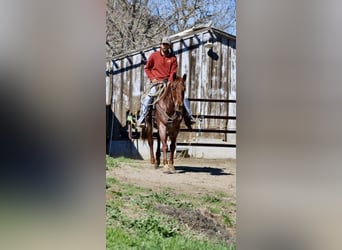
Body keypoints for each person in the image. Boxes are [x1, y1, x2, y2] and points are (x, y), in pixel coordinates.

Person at [137, 37, 196, 129]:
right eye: (163, 44)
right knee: (149, 97)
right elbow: (147, 68)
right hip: (156, 82)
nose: (165, 46)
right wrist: (153, 78)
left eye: (167, 44)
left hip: (169, 82)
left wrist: (170, 81)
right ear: (160, 45)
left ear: (169, 46)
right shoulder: (154, 56)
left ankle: (189, 116)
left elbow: (173, 71)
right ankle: (142, 118)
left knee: (183, 97)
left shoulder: (172, 58)